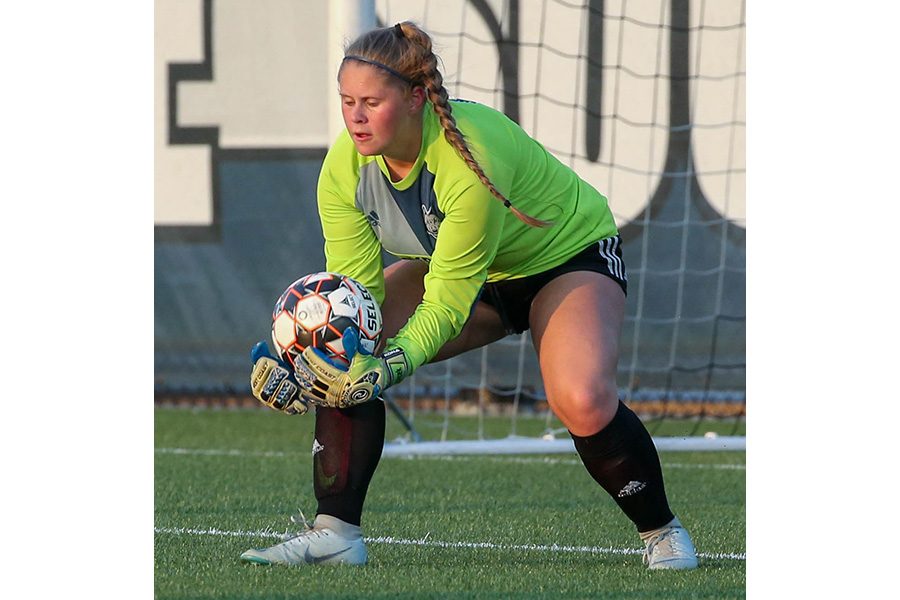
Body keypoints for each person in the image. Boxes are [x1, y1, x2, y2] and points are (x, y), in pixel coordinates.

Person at [243, 21, 698, 570]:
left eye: (371, 102)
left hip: (563, 259)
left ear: (415, 99)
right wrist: (295, 353)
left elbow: (447, 304)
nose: (356, 117)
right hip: (469, 274)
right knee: (341, 347)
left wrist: (385, 367)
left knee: (581, 398)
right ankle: (335, 533)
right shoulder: (343, 169)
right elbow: (352, 298)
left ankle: (662, 531)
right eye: (346, 102)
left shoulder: (468, 155)